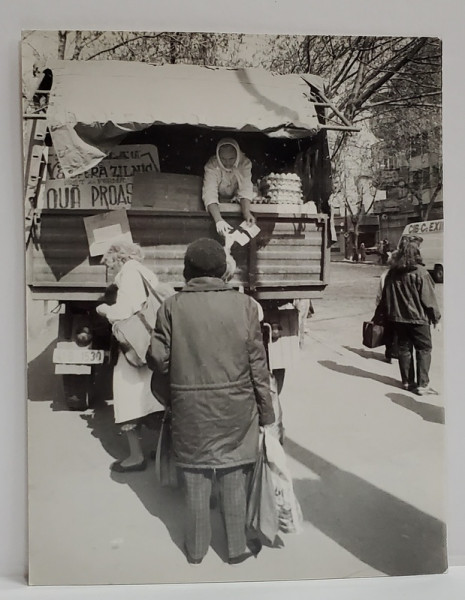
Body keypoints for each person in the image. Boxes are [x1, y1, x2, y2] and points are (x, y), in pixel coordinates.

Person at [148, 238, 275, 565]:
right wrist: (267, 415)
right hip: (236, 409)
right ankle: (235, 549)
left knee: (195, 478)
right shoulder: (245, 306)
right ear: (223, 271)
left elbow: (158, 360)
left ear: (187, 271)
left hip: (190, 409)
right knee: (234, 475)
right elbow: (259, 366)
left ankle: (196, 550)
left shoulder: (171, 307)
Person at [96, 242, 166, 472]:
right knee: (155, 396)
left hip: (134, 347)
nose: (111, 271)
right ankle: (162, 450)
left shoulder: (128, 275)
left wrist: (104, 310)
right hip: (150, 342)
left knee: (128, 398)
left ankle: (136, 456)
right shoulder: (144, 272)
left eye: (110, 265)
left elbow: (123, 312)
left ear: (119, 259)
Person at [376, 241, 441, 395]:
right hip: (418, 319)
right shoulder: (421, 272)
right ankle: (423, 385)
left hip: (398, 318)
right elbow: (429, 299)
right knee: (424, 349)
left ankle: (407, 382)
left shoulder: (392, 272)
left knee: (404, 349)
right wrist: (436, 319)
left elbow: (386, 297)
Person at [202, 138, 256, 237]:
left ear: (237, 155)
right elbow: (209, 192)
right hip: (216, 208)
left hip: (236, 204)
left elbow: (245, 189)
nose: (227, 163)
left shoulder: (244, 163)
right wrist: (218, 220)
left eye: (231, 159)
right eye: (223, 159)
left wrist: (246, 213)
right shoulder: (212, 166)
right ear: (218, 156)